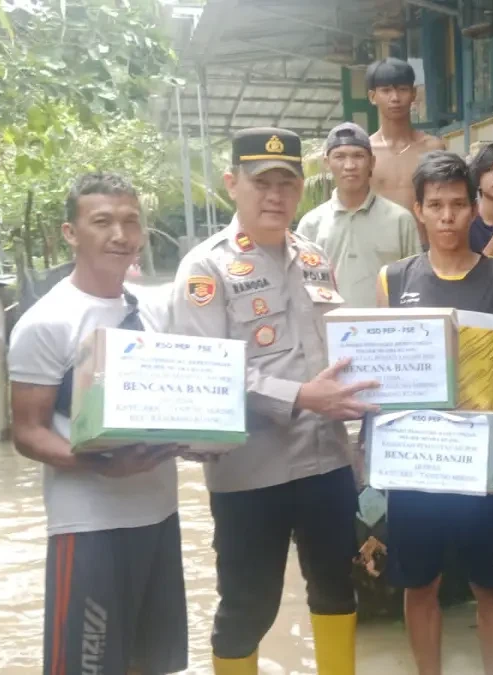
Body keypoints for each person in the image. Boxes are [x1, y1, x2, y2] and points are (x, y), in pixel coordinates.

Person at [168, 126, 381, 675]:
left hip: (327, 462)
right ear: (231, 184)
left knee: (337, 589)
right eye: (261, 183)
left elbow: (344, 349)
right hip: (248, 473)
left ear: (301, 188)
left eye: (287, 183)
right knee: (248, 605)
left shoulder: (314, 258)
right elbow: (203, 375)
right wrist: (302, 396)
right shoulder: (205, 268)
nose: (275, 196)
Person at [8, 172, 188, 675]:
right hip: (88, 523)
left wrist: (198, 438)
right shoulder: (47, 321)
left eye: (131, 222)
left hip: (159, 513)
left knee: (153, 665)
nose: (120, 235)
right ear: (71, 233)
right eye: (102, 222)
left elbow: (171, 401)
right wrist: (98, 465)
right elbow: (27, 431)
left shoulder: (151, 310)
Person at [375, 151, 493, 675]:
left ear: (474, 209)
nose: (447, 216)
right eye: (435, 205)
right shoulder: (393, 281)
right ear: (417, 209)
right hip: (416, 460)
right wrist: (369, 450)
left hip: (479, 461)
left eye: (458, 205)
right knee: (420, 584)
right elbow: (382, 368)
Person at [297, 122, 421, 307]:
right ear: (327, 163)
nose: (349, 165)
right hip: (328, 331)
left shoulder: (400, 220)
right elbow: (302, 288)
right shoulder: (311, 224)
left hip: (386, 331)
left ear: (372, 162)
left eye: (358, 156)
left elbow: (414, 285)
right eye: (339, 156)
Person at [366, 57, 447, 246]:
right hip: (380, 250)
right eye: (386, 90)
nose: (395, 98)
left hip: (426, 251)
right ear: (372, 96)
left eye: (402, 89)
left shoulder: (433, 148)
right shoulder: (366, 152)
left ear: (413, 93)